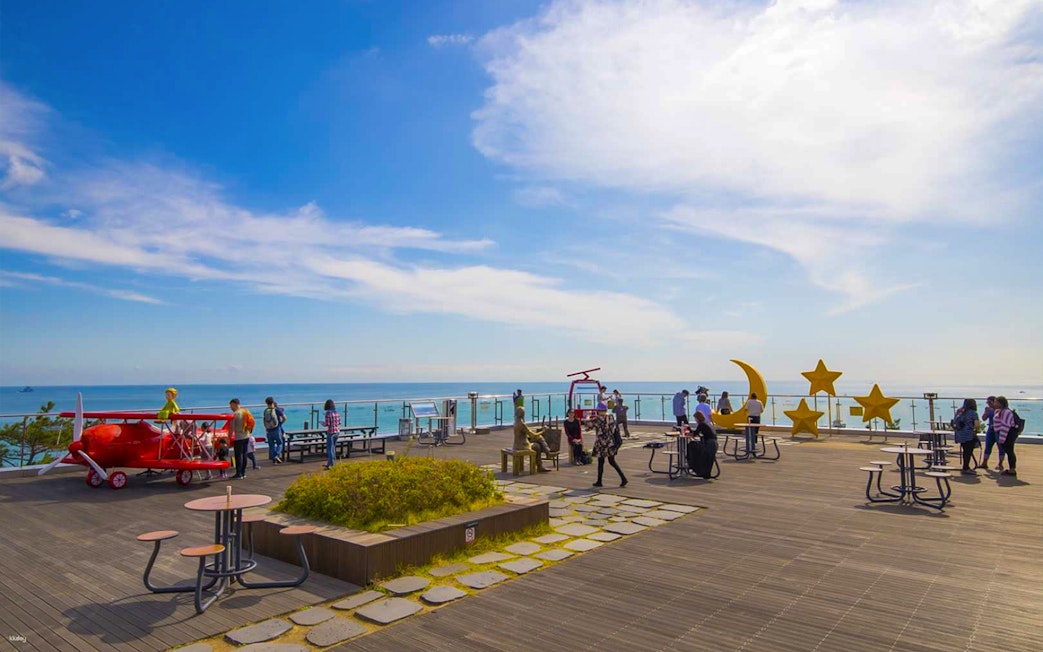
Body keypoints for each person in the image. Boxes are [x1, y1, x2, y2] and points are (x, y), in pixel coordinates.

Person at [589, 412, 627, 487]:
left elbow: (589, 425)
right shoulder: (611, 417)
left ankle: (599, 482)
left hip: (601, 443)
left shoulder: (598, 419)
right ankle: (623, 478)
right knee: (612, 461)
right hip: (610, 443)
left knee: (601, 462)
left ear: (599, 411)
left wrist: (587, 417)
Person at [951, 398, 981, 475]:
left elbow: (954, 421)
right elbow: (977, 425)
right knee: (968, 451)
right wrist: (976, 431)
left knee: (965, 451)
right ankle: (966, 468)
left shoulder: (960, 412)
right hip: (969, 434)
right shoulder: (973, 413)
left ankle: (966, 467)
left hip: (960, 434)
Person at [687, 411, 718, 479]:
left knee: (691, 446)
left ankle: (693, 465)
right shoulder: (707, 424)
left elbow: (695, 434)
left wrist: (688, 431)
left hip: (710, 444)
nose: (695, 420)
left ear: (697, 418)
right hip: (714, 443)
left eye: (695, 419)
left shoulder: (701, 425)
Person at [228, 398, 254, 479]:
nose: (231, 408)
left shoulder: (235, 414)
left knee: (238, 455)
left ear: (235, 404)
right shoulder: (246, 411)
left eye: (231, 405)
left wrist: (228, 438)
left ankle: (238, 473)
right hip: (246, 435)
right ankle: (243, 472)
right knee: (244, 454)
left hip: (238, 437)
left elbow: (231, 428)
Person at [993, 396, 1018, 477]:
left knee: (1010, 451)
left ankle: (1012, 469)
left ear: (1000, 403)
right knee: (1008, 451)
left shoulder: (1006, 412)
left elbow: (1005, 426)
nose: (994, 403)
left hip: (1008, 434)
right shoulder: (1000, 411)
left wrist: (1002, 439)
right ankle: (1011, 469)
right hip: (1003, 434)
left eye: (996, 402)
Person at [979, 396, 1005, 471]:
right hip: (990, 429)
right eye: (987, 402)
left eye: (990, 402)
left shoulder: (1000, 410)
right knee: (988, 446)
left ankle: (1000, 464)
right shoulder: (988, 409)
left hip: (999, 430)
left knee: (1001, 447)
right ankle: (984, 462)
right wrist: (986, 412)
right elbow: (983, 419)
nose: (989, 404)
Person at [263, 396, 284, 464]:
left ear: (266, 403)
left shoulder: (266, 411)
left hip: (269, 430)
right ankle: (277, 454)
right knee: (280, 443)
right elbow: (284, 418)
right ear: (273, 402)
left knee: (271, 445)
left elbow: (264, 421)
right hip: (276, 429)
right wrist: (281, 423)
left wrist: (266, 428)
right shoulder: (276, 410)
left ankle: (274, 456)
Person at [323, 399, 340, 470]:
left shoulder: (327, 413)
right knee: (333, 448)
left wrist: (323, 424)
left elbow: (327, 424)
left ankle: (332, 464)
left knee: (329, 449)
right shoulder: (337, 412)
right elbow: (339, 422)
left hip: (331, 432)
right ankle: (329, 463)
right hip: (337, 432)